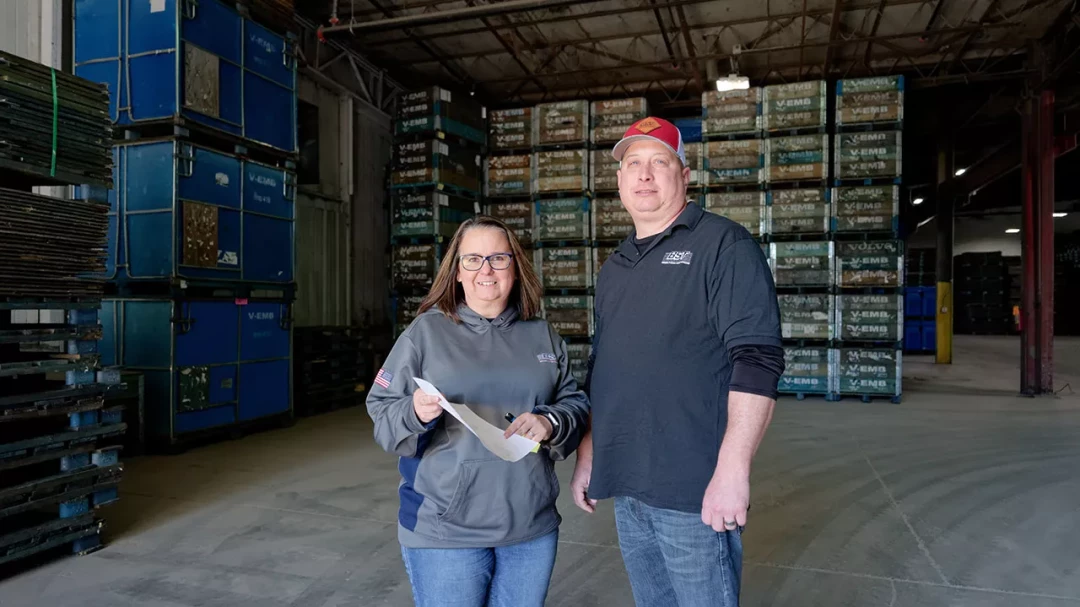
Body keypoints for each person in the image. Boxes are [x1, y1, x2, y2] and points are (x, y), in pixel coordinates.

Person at [570, 117, 785, 607]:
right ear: (620, 181)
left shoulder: (723, 246)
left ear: (684, 175)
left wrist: (733, 471)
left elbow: (757, 358)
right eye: (633, 164)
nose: (644, 175)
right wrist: (589, 449)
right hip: (628, 483)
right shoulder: (617, 265)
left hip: (693, 489)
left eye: (659, 162)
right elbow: (607, 366)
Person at [367, 215, 590, 607]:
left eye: (498, 259)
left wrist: (550, 421)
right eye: (472, 259)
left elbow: (574, 401)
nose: (485, 270)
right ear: (456, 272)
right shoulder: (424, 334)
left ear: (515, 268)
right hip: (446, 530)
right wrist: (416, 413)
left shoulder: (541, 335)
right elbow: (382, 412)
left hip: (530, 525)